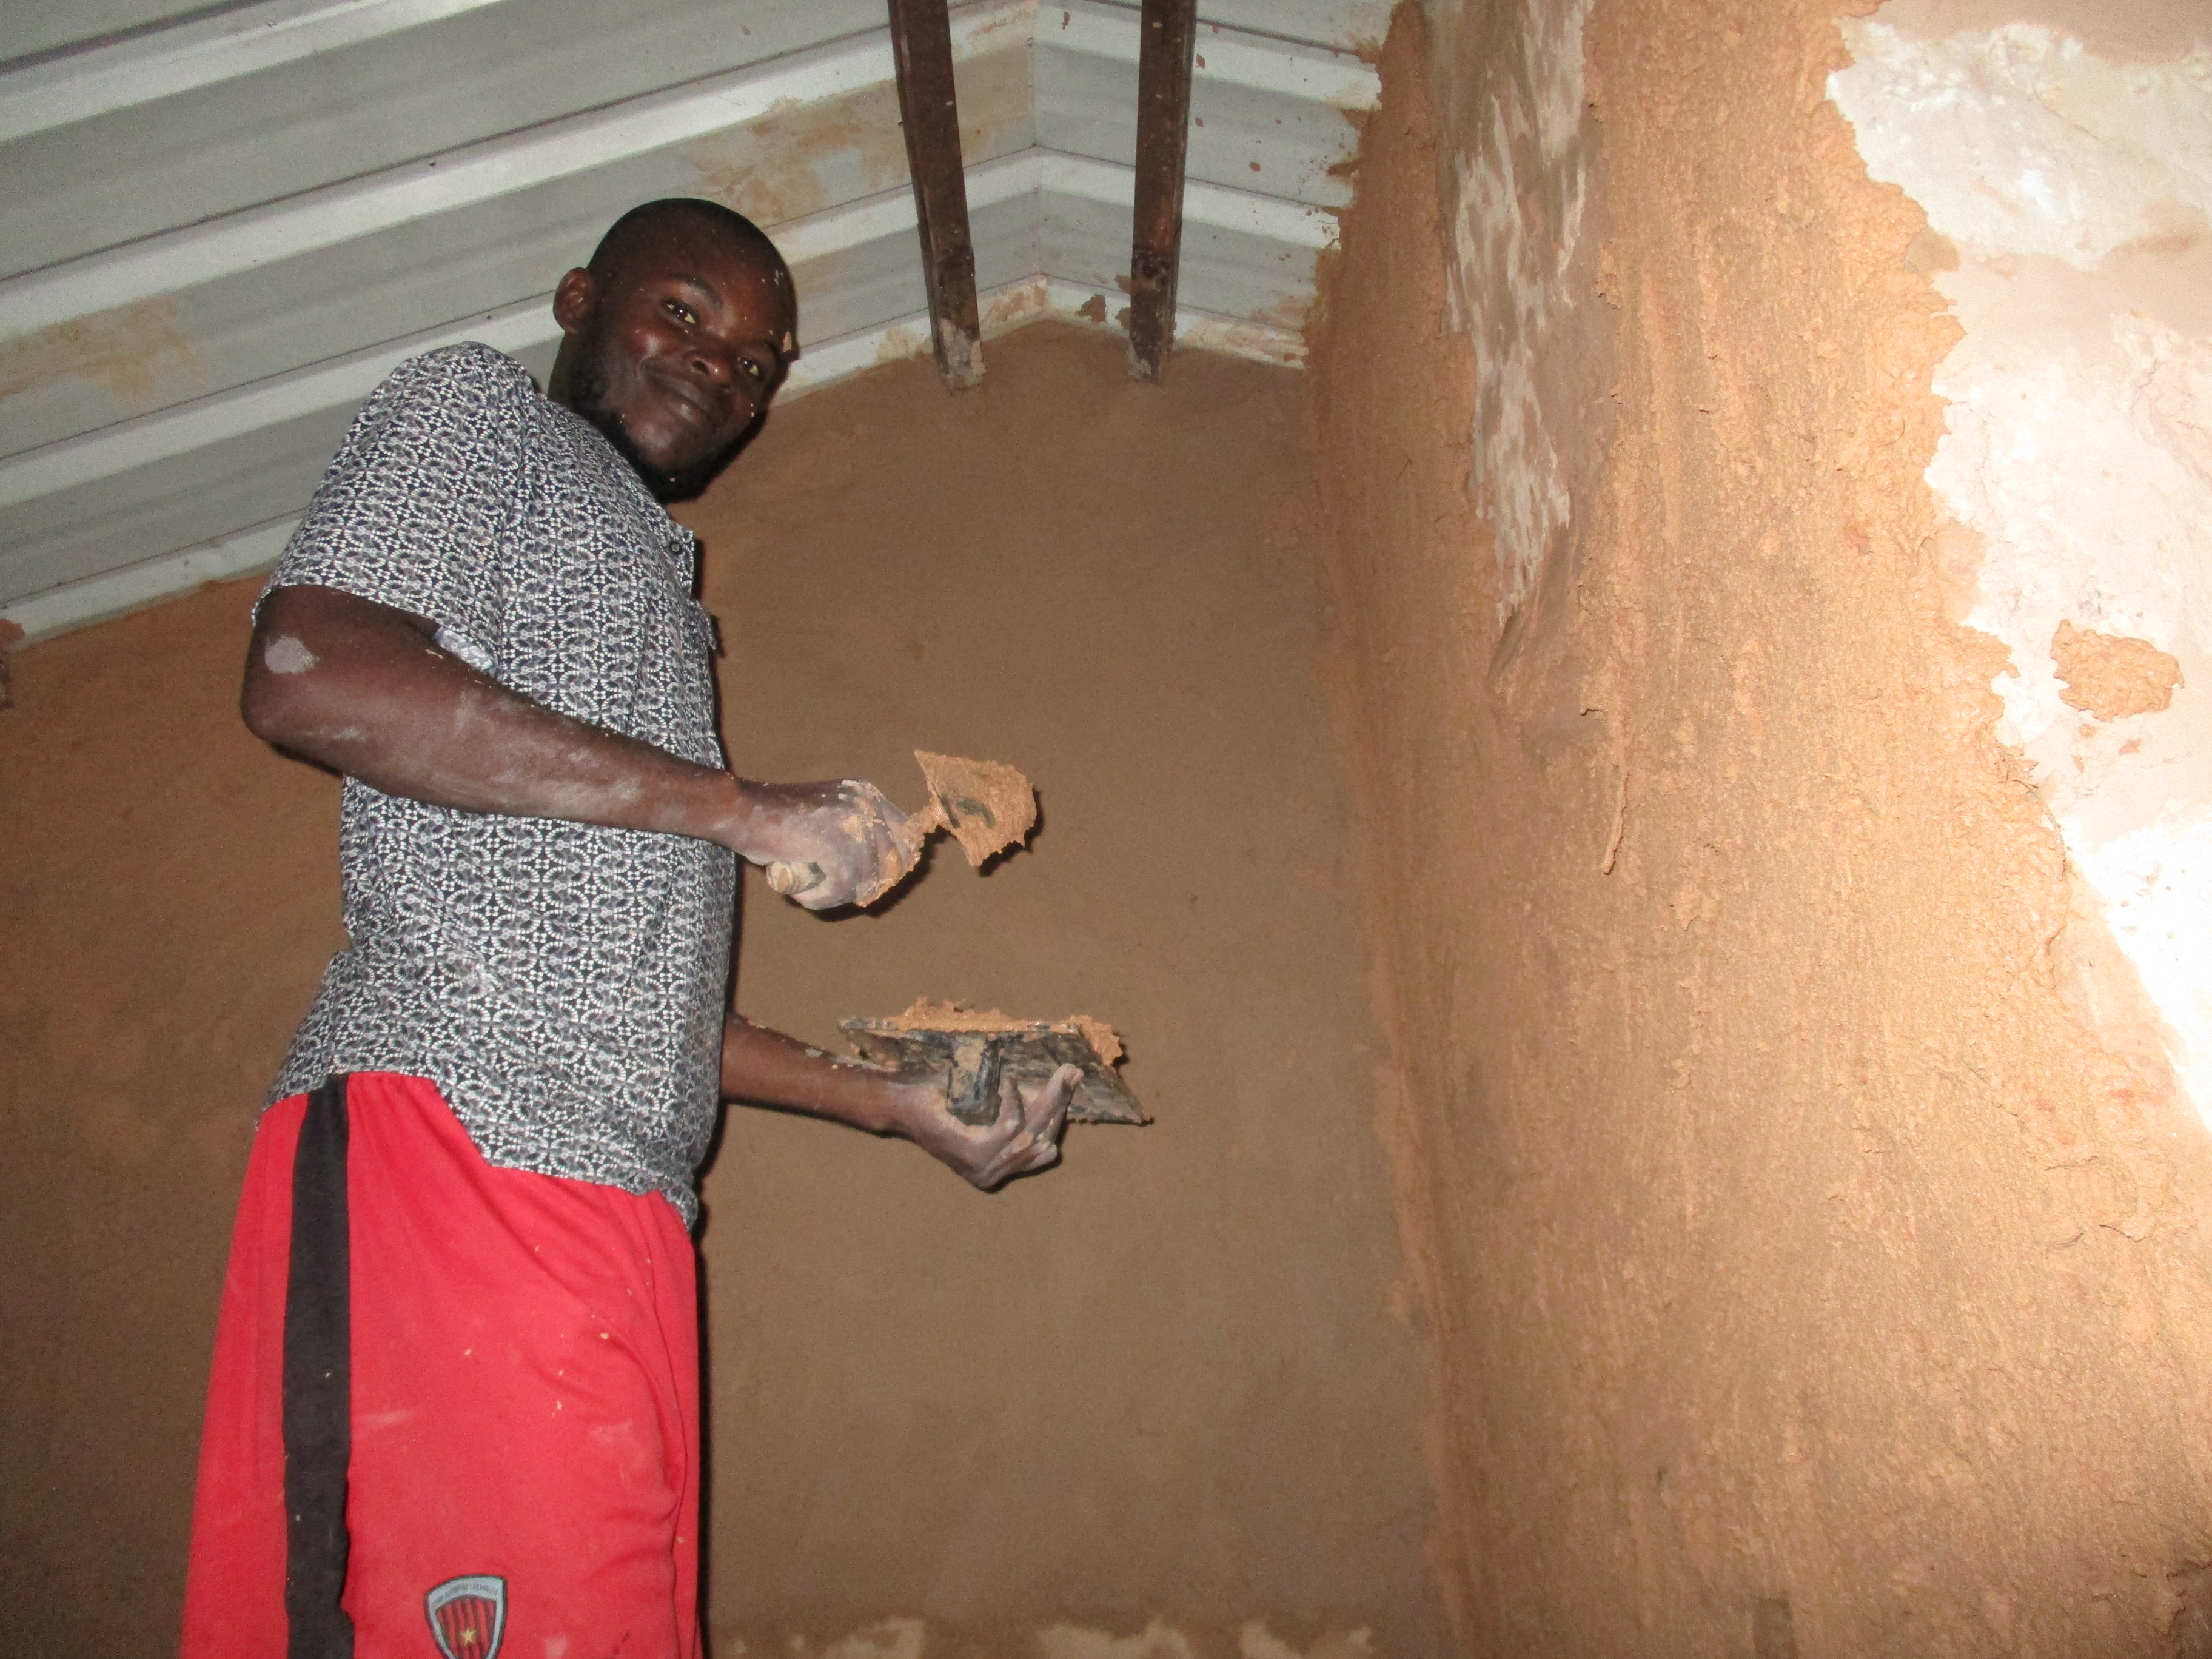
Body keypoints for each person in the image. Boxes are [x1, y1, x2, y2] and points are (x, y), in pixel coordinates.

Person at [179, 198, 1075, 1659]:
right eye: (685, 314)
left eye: (759, 364)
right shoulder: (477, 415)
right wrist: (743, 810)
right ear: (578, 297)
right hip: (457, 1147)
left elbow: (636, 1005)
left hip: (628, 1207)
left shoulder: (652, 587)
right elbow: (305, 671)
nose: (725, 368)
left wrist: (892, 1102)